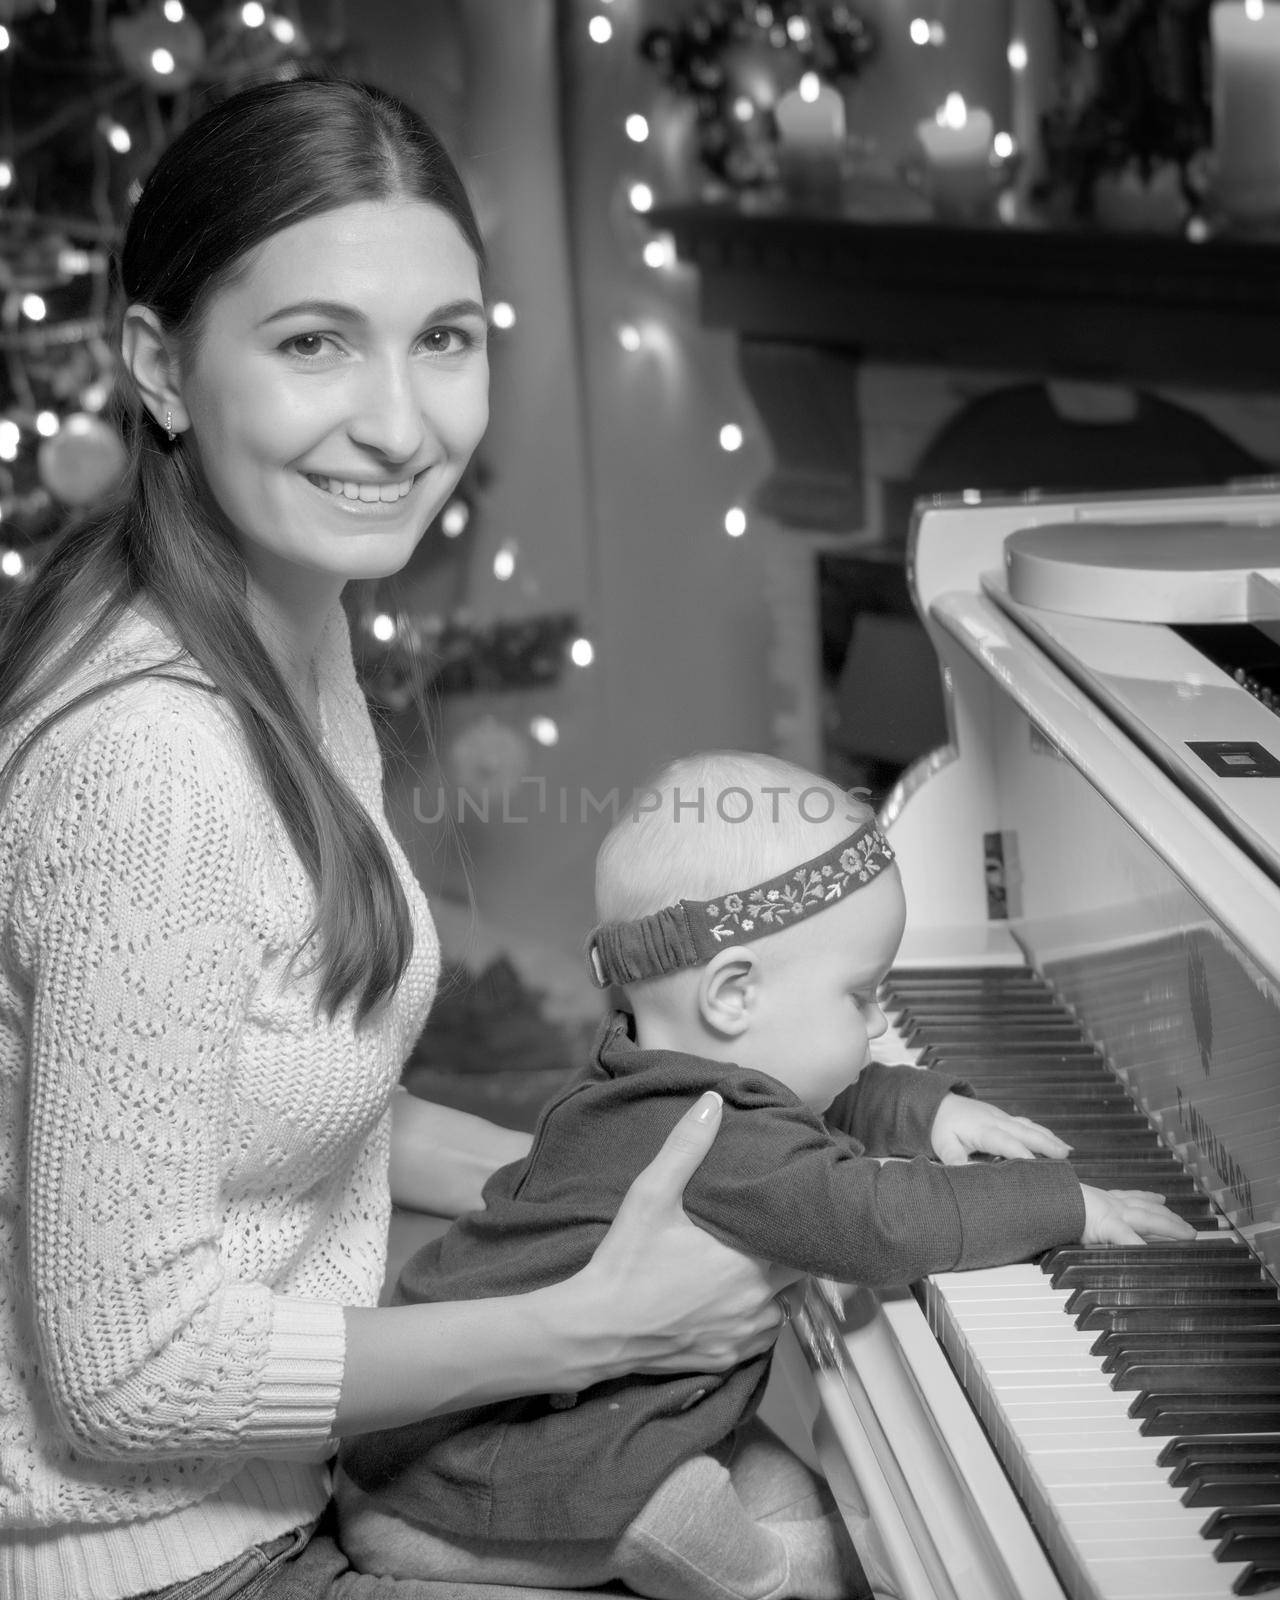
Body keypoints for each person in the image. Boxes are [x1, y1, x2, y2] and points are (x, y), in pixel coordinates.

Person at [0, 81, 796, 1600]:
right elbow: (126, 1373)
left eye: (445, 339)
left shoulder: (288, 628)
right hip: (151, 1563)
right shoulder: (150, 767)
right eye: (313, 344)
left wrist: (643, 1187)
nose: (398, 423)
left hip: (263, 1499)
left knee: (770, 1514)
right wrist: (602, 1319)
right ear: (161, 368)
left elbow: (297, 1110)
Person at [335, 749, 1195, 1600]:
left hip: (537, 1433)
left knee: (795, 1498)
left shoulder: (659, 1075)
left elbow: (793, 1100)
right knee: (678, 1518)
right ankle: (784, 1581)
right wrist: (1062, 1203)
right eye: (862, 997)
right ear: (733, 994)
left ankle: (842, 1559)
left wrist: (922, 1109)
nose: (873, 1027)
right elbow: (875, 1221)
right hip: (458, 1483)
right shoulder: (722, 1139)